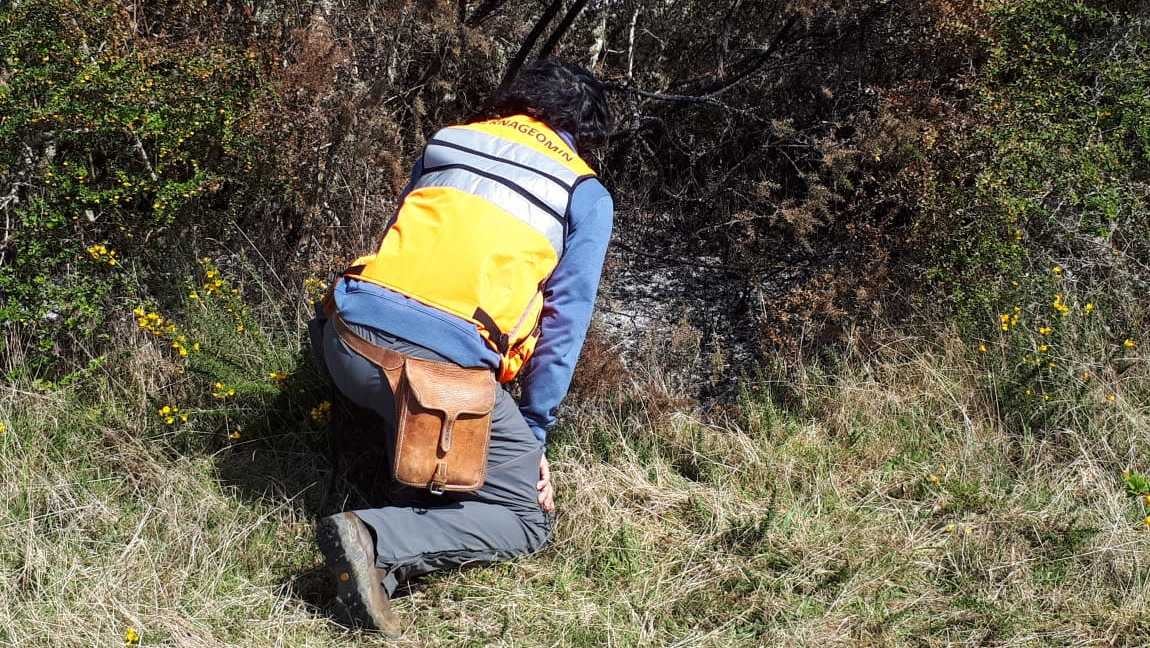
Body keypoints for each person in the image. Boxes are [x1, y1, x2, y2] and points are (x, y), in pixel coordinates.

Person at [307, 60, 613, 634]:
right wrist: (533, 436)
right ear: (585, 132)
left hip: (343, 340)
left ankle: (376, 571)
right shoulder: (584, 193)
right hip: (434, 372)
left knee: (434, 428)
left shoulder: (450, 140)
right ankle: (375, 535)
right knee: (526, 518)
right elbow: (563, 328)